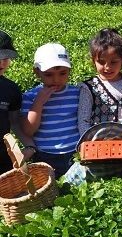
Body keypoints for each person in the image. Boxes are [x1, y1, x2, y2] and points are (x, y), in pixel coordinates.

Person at [19, 43, 81, 178]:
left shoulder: (76, 93)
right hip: (46, 154)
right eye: (49, 74)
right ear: (36, 72)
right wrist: (38, 103)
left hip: (75, 152)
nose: (56, 79)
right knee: (51, 190)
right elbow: (29, 130)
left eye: (63, 73)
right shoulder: (30, 97)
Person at [78, 28, 122, 136]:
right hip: (100, 141)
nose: (107, 67)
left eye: (113, 62)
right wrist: (88, 142)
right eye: (101, 62)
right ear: (93, 61)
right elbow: (84, 120)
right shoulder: (90, 87)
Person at [0, 30, 36, 174]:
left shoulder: (11, 89)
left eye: (6, 57)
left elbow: (14, 122)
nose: (2, 62)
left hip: (3, 158)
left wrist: (29, 146)